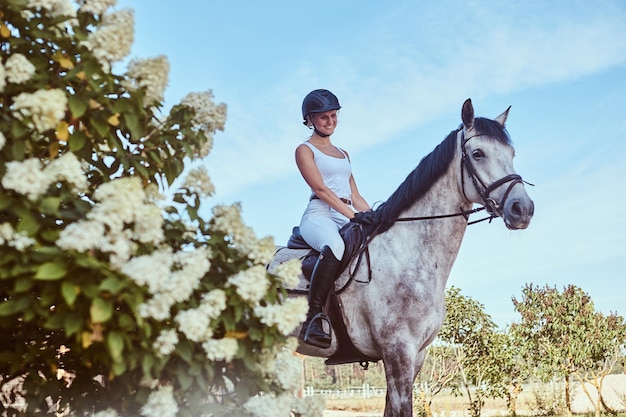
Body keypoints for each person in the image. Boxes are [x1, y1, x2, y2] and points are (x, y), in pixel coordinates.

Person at [296, 89, 370, 348]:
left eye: (334, 115)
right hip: (320, 213)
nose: (330, 121)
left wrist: (374, 216)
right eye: (324, 117)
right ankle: (313, 317)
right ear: (310, 120)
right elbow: (322, 190)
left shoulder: (344, 154)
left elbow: (355, 195)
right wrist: (354, 216)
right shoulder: (305, 150)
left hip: (346, 212)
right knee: (335, 246)